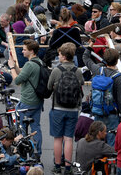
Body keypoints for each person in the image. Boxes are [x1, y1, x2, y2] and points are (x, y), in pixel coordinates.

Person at [47, 42, 83, 173]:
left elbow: (49, 86)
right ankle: (68, 167)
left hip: (58, 108)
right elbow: (81, 84)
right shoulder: (77, 71)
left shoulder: (57, 70)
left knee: (58, 138)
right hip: (73, 109)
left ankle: (57, 166)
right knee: (68, 139)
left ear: (63, 56)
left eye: (59, 54)